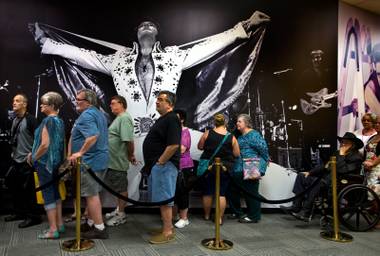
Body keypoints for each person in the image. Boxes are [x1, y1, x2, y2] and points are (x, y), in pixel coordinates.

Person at [29, 11, 270, 200]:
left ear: (157, 33)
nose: (147, 26)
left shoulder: (174, 55)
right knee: (125, 185)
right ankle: (124, 213)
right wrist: (48, 42)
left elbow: (207, 47)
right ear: (136, 33)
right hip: (129, 135)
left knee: (175, 174)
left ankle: (176, 213)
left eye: (151, 25)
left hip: (164, 132)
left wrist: (245, 25)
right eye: (143, 25)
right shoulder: (118, 59)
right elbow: (85, 55)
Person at [281, 132, 363, 222]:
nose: (342, 144)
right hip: (326, 178)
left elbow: (341, 169)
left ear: (353, 145)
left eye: (346, 143)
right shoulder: (337, 153)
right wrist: (310, 172)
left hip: (339, 181)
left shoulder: (356, 157)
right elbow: (325, 165)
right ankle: (296, 206)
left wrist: (342, 155)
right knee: (301, 176)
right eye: (342, 142)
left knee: (317, 183)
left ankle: (306, 212)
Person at [68, 89, 109, 239]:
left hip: (90, 162)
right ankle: (91, 222)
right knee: (93, 194)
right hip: (99, 160)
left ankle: (99, 228)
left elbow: (93, 136)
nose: (76, 101)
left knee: (91, 195)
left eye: (79, 99)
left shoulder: (86, 116)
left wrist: (80, 153)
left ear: (88, 102)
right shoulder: (99, 114)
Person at [142, 90, 181, 244]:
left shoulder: (172, 118)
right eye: (157, 99)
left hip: (165, 165)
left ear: (170, 104)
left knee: (165, 199)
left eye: (161, 99)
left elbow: (173, 145)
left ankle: (167, 232)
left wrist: (160, 162)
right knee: (161, 198)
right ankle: (167, 227)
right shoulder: (164, 119)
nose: (157, 102)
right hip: (159, 166)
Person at [27, 92, 65, 239]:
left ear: (52, 106)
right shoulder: (59, 121)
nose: (41, 105)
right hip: (55, 163)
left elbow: (45, 144)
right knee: (55, 192)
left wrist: (34, 157)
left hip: (45, 163)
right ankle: (59, 224)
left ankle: (53, 229)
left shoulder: (48, 121)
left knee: (48, 194)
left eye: (44, 103)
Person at [4, 94, 41, 228]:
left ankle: (34, 217)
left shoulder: (31, 120)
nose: (14, 103)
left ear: (24, 104)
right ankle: (19, 212)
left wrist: (33, 153)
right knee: (14, 186)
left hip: (27, 161)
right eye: (13, 100)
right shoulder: (15, 120)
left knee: (29, 190)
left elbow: (40, 139)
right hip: (16, 159)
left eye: (17, 101)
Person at [197, 113, 240, 225]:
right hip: (225, 168)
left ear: (214, 122)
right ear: (225, 123)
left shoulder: (207, 133)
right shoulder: (231, 137)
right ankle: (219, 218)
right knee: (221, 193)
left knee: (208, 192)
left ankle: (206, 215)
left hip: (209, 167)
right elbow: (236, 154)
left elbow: (200, 147)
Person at [228, 114, 269, 223]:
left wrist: (262, 167)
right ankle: (237, 212)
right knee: (232, 190)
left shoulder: (254, 135)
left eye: (240, 121)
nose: (237, 123)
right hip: (238, 167)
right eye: (237, 121)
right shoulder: (240, 136)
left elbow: (264, 150)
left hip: (251, 164)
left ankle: (254, 216)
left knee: (251, 192)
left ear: (246, 123)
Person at [104, 95, 136, 226]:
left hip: (118, 160)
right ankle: (118, 210)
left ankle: (121, 214)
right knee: (117, 187)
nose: (110, 105)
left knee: (121, 187)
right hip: (114, 160)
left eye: (113, 103)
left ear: (121, 104)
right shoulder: (120, 118)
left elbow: (128, 140)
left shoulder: (124, 118)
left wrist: (130, 155)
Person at [173, 109, 194, 229]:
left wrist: (167, 150)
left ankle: (184, 218)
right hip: (174, 166)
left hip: (184, 166)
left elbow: (181, 149)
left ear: (182, 119)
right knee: (175, 192)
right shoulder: (173, 131)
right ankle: (176, 215)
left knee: (182, 192)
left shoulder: (185, 132)